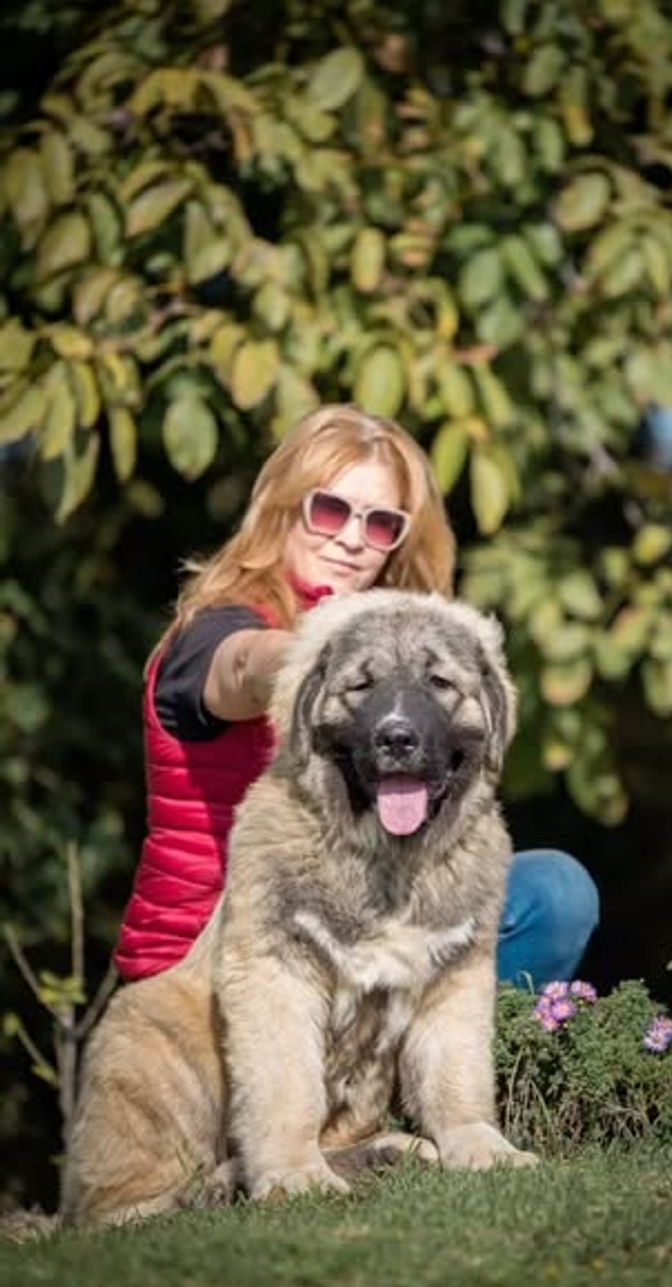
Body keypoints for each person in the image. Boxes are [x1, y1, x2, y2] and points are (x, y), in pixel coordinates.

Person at [114, 405, 599, 988]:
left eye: (378, 524)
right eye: (329, 509)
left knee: (552, 893)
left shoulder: (395, 654)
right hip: (208, 974)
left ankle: (446, 1069)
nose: (350, 539)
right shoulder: (212, 634)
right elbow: (244, 665)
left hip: (344, 941)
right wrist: (317, 661)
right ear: (282, 507)